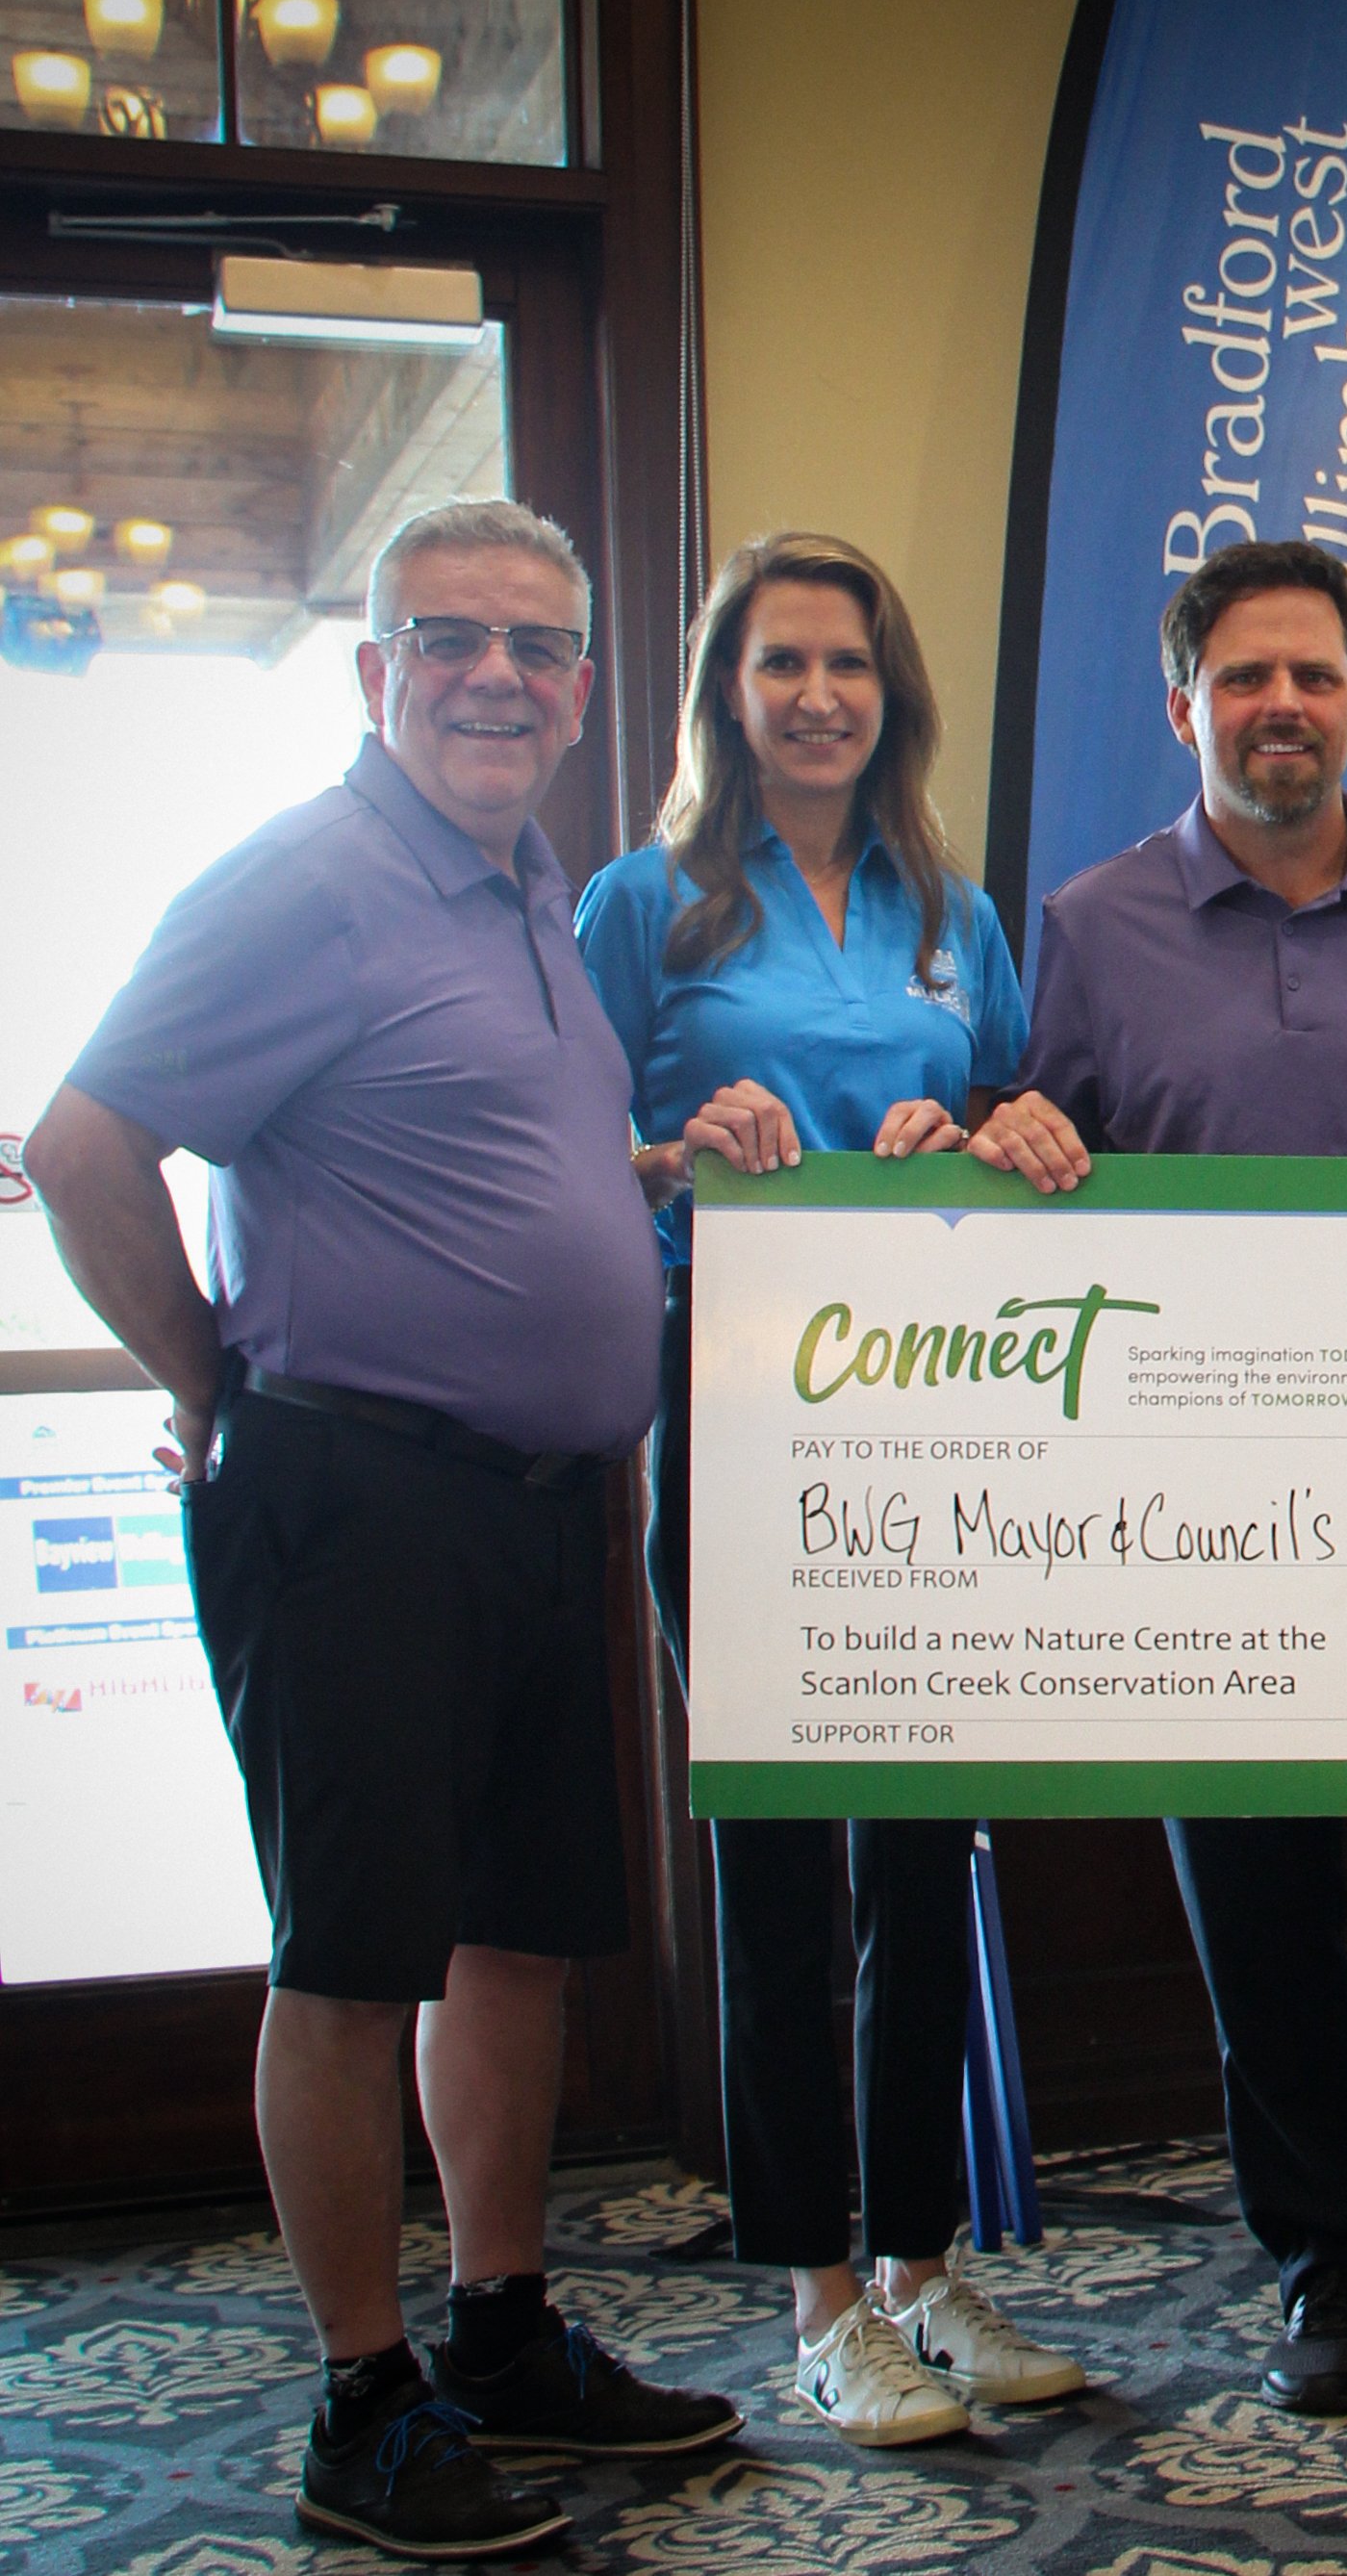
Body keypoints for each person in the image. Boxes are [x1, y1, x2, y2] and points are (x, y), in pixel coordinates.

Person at [22, 499, 738, 2563]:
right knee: (350, 1962)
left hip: (533, 1511)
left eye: (538, 642)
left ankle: (499, 2322)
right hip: (354, 1501)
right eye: (450, 637)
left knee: (511, 1939)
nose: (497, 674)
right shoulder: (307, 879)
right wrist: (207, 1383)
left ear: (588, 686)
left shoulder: (522, 888)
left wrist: (642, 1161)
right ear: (374, 670)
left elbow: (462, 1140)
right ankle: (363, 2398)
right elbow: (85, 1140)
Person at [969, 539, 1347, 2440]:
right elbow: (1034, 1148)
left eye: (1316, 677)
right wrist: (1019, 1134)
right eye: (1245, 680)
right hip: (1198, 1512)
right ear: (1187, 709)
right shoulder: (1086, 925)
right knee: (1252, 1905)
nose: (1284, 708)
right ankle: (1331, 2264)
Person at [575, 532, 1084, 2445]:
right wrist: (670, 1145)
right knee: (784, 1859)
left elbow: (1045, 1122)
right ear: (726, 692)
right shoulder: (644, 903)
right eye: (781, 663)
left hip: (937, 1414)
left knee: (927, 1851)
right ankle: (812, 2290)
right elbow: (562, 1156)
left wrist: (1014, 1127)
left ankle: (925, 2272)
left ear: (893, 693)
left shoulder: (955, 905)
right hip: (741, 1412)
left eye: (849, 665)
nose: (818, 695)